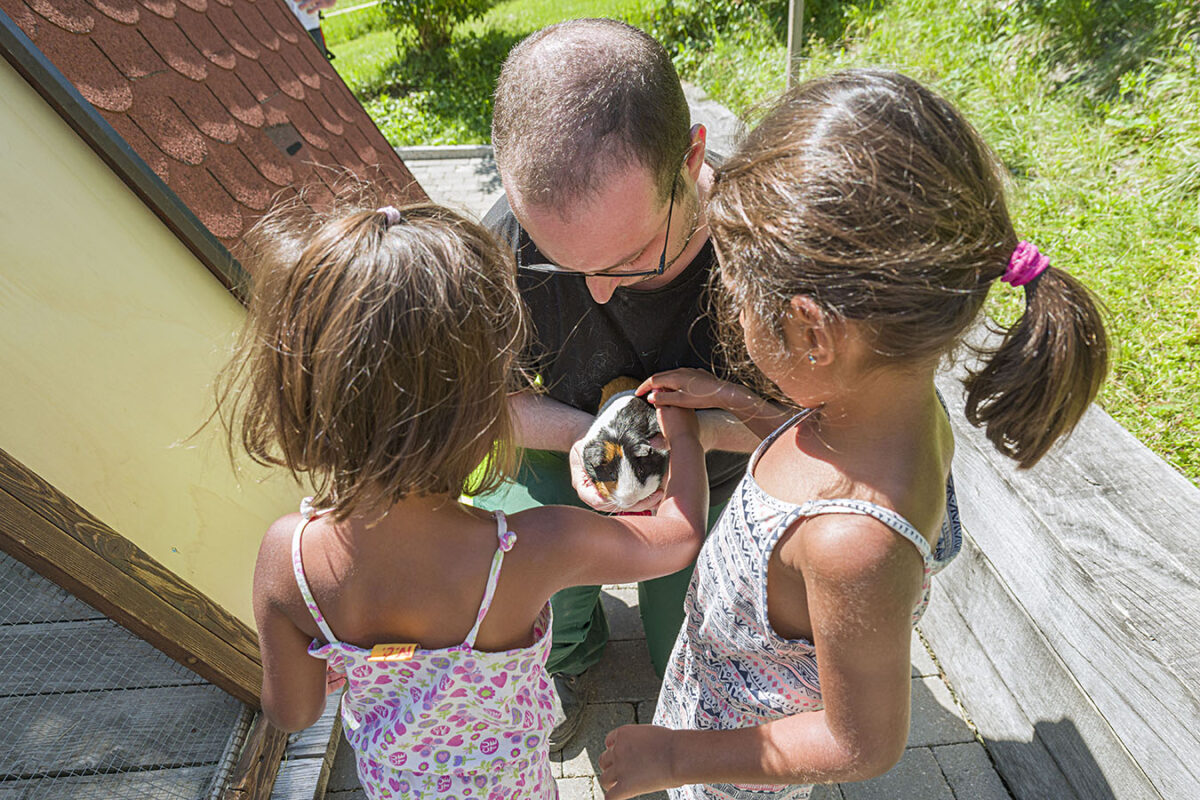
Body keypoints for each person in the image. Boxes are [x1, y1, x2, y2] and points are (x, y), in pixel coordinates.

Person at [597, 69, 1109, 799]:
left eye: (738, 300)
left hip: (734, 766)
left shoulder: (851, 542)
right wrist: (734, 406)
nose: (735, 318)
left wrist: (675, 758)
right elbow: (812, 450)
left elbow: (857, 741)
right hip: (716, 699)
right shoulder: (889, 405)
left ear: (812, 331)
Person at [214, 201, 710, 799]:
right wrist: (681, 429)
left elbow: (293, 713)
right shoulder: (536, 545)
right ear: (486, 407)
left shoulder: (286, 556)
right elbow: (678, 538)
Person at [478, 18, 781, 749]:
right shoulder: (505, 238)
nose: (602, 293)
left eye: (633, 258)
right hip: (567, 444)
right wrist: (592, 440)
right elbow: (492, 401)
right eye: (562, 262)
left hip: (728, 472)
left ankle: (678, 671)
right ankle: (565, 654)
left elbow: (810, 419)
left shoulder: (770, 247)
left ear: (693, 158)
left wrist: (693, 435)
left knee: (684, 626)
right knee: (507, 547)